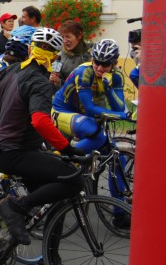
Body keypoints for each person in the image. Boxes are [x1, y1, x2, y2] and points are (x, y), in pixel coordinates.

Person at [0, 27, 87, 265]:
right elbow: (41, 121)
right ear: (54, 57)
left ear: (32, 49)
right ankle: (14, 207)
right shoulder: (39, 81)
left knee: (57, 198)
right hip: (17, 152)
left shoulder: (13, 69)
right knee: (74, 180)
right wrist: (68, 150)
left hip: (7, 149)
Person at [51, 39, 131, 214]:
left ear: (114, 64)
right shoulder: (84, 72)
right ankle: (60, 161)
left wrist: (109, 89)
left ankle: (120, 214)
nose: (100, 67)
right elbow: (90, 108)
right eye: (97, 62)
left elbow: (118, 107)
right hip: (61, 111)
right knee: (96, 133)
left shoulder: (116, 76)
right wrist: (124, 116)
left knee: (118, 159)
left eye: (105, 64)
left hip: (83, 117)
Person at [53, 20, 91, 88]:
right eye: (62, 37)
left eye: (68, 37)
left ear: (79, 35)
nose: (64, 41)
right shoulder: (59, 57)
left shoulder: (92, 53)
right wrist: (57, 82)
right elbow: (59, 85)